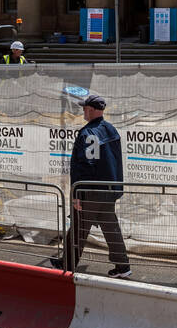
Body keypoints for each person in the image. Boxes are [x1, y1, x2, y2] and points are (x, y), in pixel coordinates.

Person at [54, 95, 129, 278]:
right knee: (111, 228)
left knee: (79, 228)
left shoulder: (87, 133)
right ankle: (123, 267)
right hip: (108, 190)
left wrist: (77, 193)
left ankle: (68, 265)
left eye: (85, 108)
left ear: (93, 110)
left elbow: (84, 165)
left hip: (90, 191)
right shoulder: (111, 130)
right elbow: (117, 163)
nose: (83, 111)